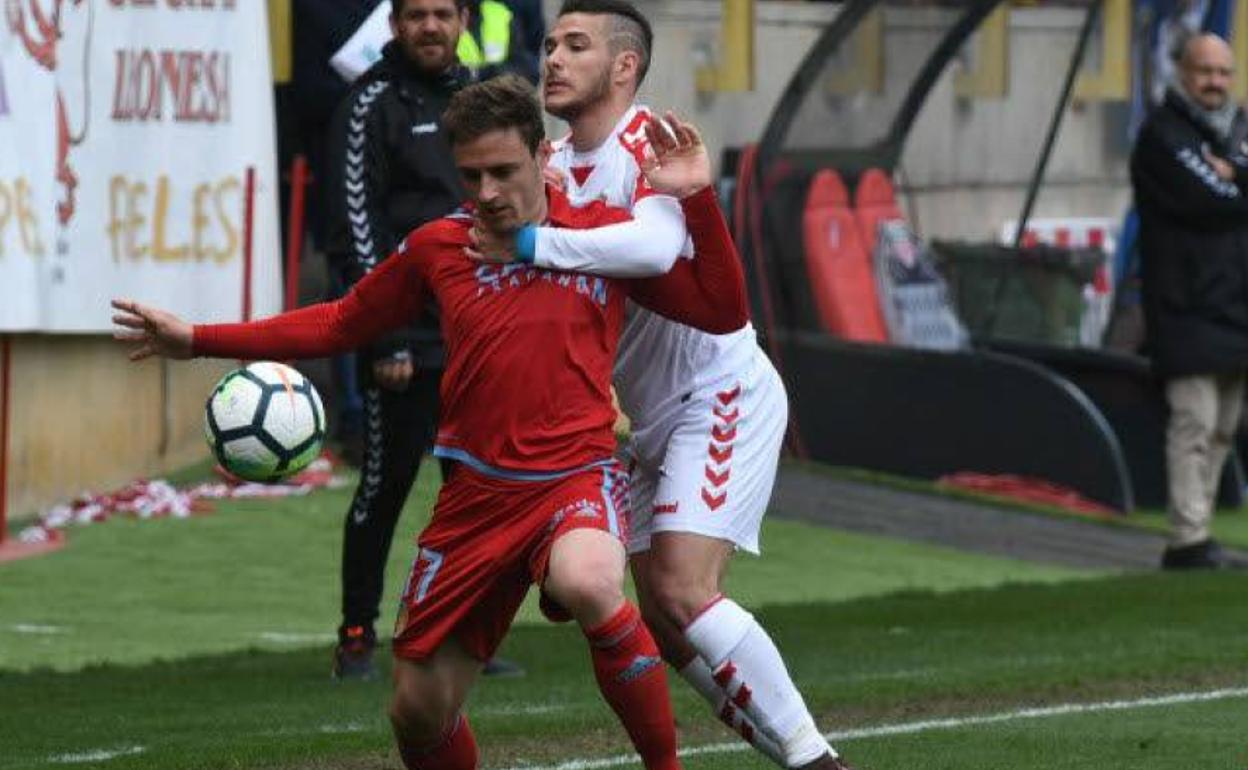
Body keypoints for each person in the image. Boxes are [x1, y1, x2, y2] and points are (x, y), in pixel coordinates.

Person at [113, 74, 749, 770]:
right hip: (474, 498)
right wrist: (199, 337)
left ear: (543, 157)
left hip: (574, 476)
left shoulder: (603, 237)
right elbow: (339, 321)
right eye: (470, 175)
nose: (486, 193)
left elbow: (721, 310)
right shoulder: (438, 247)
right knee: (417, 711)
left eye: (503, 171)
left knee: (591, 581)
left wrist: (699, 199)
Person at [470, 2, 852, 767]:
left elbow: (650, 249)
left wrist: (529, 241)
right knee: (667, 623)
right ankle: (801, 757)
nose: (552, 59)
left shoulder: (646, 139)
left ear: (624, 67)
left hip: (720, 395)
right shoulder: (548, 163)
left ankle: (817, 761)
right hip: (651, 420)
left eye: (575, 46)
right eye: (548, 44)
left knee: (681, 589)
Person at [321, 0, 487, 679]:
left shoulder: (480, 99)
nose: (429, 27)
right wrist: (384, 337)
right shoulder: (370, 104)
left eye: (442, 13)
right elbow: (353, 227)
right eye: (415, 14)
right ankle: (357, 633)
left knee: (473, 493)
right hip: (404, 342)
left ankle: (467, 635)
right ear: (394, 26)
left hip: (477, 336)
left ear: (463, 20)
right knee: (383, 490)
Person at [1131, 32, 1248, 571]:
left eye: (1223, 72)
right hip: (1186, 306)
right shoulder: (1164, 136)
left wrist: (1239, 176)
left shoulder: (1236, 133)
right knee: (1194, 423)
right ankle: (1187, 538)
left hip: (1235, 305)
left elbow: (1231, 194)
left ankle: (1197, 532)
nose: (1215, 82)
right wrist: (1235, 184)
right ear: (1182, 72)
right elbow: (1209, 202)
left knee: (1224, 424)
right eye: (1205, 71)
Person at [460, 0, 540, 84]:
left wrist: (496, 73)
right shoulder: (448, 19)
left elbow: (524, 65)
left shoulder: (500, 14)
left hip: (500, 91)